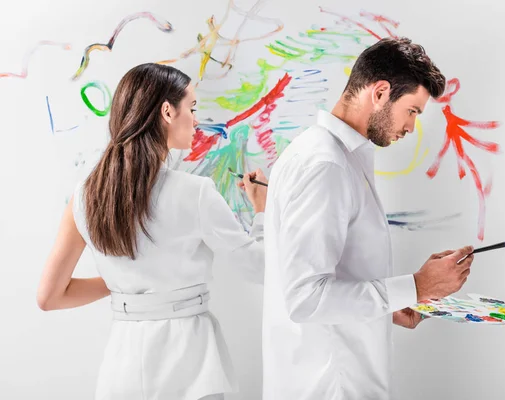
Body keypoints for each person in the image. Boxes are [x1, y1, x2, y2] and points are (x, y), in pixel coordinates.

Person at [36, 63, 268, 400]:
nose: (196, 119)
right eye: (192, 108)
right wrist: (261, 211)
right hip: (191, 367)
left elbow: (49, 296)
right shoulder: (196, 192)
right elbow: (258, 267)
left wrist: (124, 284)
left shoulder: (84, 197)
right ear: (167, 112)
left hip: (121, 369)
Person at [261, 37, 475, 399]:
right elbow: (305, 298)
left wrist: (392, 304)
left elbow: (335, 276)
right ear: (380, 93)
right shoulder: (324, 164)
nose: (410, 127)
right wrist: (417, 286)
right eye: (412, 111)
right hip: (330, 385)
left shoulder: (332, 155)